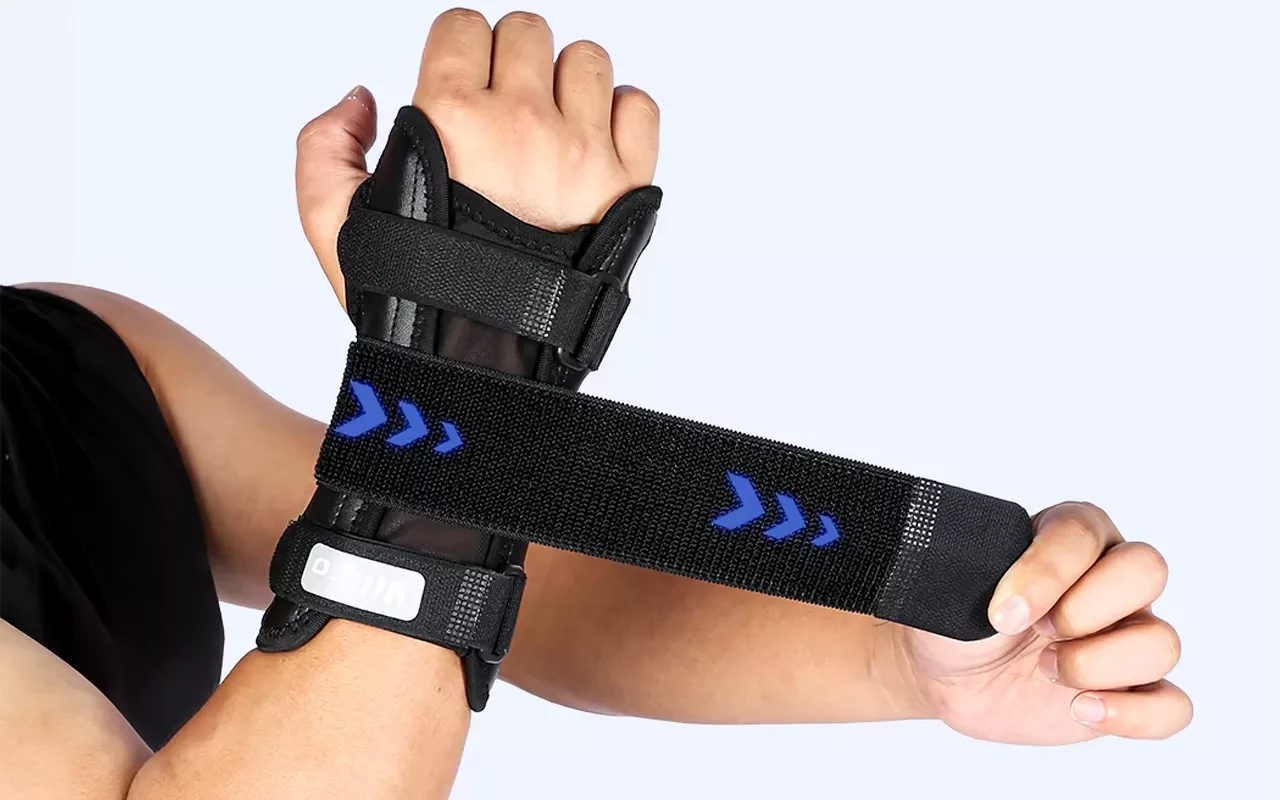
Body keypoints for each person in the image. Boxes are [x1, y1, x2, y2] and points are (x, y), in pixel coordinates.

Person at [0, 8, 1191, 798]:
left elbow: (515, 569)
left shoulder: (59, 358)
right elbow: (426, 523)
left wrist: (908, 646)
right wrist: (466, 347)